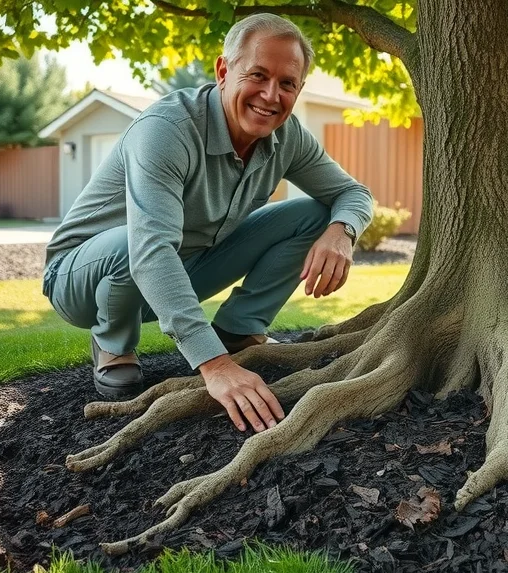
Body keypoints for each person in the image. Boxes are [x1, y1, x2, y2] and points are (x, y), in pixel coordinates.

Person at [41, 14, 373, 434]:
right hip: (81, 281)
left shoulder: (288, 137)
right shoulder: (167, 130)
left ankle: (240, 329)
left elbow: (354, 194)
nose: (271, 95)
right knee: (134, 242)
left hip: (183, 265)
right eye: (257, 75)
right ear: (223, 71)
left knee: (317, 214)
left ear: (299, 89)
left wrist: (342, 232)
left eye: (287, 83)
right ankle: (113, 342)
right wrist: (214, 366)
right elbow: (151, 250)